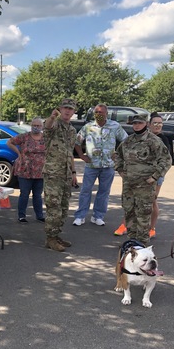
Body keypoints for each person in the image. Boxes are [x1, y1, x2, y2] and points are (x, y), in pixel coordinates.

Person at [114, 114, 172, 245]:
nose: (136, 125)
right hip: (129, 185)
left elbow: (166, 160)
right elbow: (118, 155)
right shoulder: (128, 141)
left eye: (139, 123)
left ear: (145, 123)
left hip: (145, 186)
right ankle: (131, 243)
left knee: (143, 216)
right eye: (134, 123)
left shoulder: (153, 140)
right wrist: (120, 170)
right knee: (129, 212)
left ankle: (142, 245)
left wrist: (155, 176)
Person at [72, 103, 127, 227]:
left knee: (104, 192)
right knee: (85, 191)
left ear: (106, 114)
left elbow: (125, 140)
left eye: (101, 112)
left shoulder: (114, 126)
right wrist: (82, 155)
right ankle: (80, 216)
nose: (98, 114)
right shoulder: (88, 127)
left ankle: (98, 216)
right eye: (96, 112)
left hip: (108, 165)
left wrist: (118, 154)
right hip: (91, 165)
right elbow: (77, 141)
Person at [42, 98, 78, 252]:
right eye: (65, 108)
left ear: (74, 112)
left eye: (71, 109)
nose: (68, 111)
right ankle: (50, 239)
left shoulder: (72, 130)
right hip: (53, 174)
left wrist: (74, 172)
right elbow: (47, 127)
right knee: (53, 208)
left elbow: (70, 154)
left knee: (63, 207)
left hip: (66, 174)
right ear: (60, 109)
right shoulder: (54, 124)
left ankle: (56, 235)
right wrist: (51, 117)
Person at [7, 117, 46, 223]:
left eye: (38, 126)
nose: (36, 127)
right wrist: (18, 153)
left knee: (37, 195)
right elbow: (9, 142)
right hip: (25, 170)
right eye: (34, 125)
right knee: (24, 193)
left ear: (42, 127)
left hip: (40, 172)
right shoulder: (24, 137)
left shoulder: (45, 138)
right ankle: (21, 215)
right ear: (31, 125)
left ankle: (39, 215)